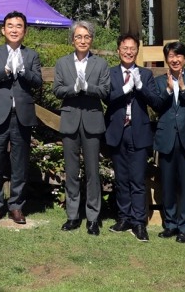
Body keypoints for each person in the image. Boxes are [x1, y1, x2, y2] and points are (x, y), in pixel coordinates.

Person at [0, 11, 42, 225]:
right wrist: (6, 71)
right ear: (3, 30)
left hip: (22, 115)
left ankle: (16, 206)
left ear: (24, 31)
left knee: (20, 164)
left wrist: (23, 71)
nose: (14, 29)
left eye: (19, 26)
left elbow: (37, 81)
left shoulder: (31, 55)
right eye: (10, 26)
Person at [53, 21, 111, 236]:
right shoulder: (62, 63)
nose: (83, 40)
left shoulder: (101, 64)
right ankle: (72, 215)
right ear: (72, 39)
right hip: (70, 121)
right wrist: (72, 89)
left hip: (92, 120)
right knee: (71, 172)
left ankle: (93, 218)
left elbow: (105, 90)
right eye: (79, 37)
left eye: (86, 36)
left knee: (92, 172)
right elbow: (57, 89)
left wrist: (88, 88)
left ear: (92, 39)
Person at [104, 33, 159, 242]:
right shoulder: (110, 73)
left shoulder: (145, 74)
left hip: (138, 131)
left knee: (137, 179)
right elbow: (107, 97)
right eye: (124, 48)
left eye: (132, 48)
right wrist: (125, 89)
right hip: (118, 130)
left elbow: (155, 101)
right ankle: (124, 217)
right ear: (118, 50)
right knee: (121, 179)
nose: (128, 52)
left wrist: (140, 88)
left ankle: (139, 221)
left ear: (137, 51)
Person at [151, 41, 185, 244]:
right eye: (171, 56)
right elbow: (156, 106)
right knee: (167, 183)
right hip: (166, 138)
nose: (175, 60)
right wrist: (167, 90)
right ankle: (170, 224)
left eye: (179, 56)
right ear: (166, 59)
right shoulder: (158, 81)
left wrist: (183, 89)